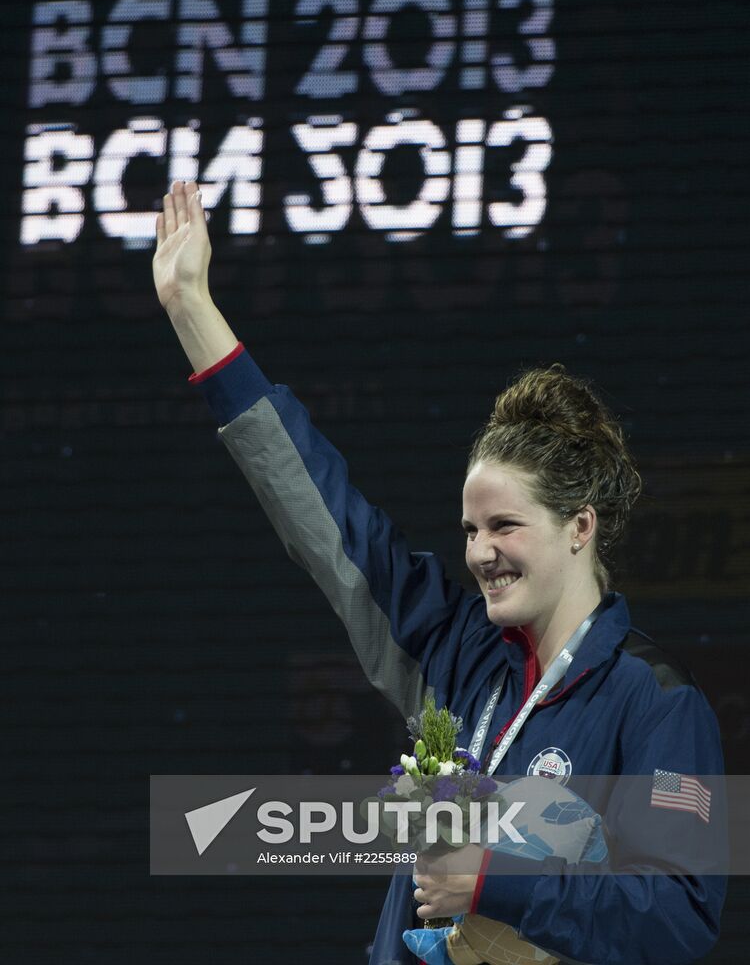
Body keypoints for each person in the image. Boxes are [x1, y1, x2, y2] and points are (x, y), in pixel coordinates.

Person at [153, 180, 726, 964]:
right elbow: (327, 524)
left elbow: (680, 916)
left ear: (579, 528)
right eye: (470, 529)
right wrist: (192, 310)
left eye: (505, 526)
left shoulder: (655, 702)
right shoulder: (455, 654)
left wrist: (495, 878)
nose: (481, 551)